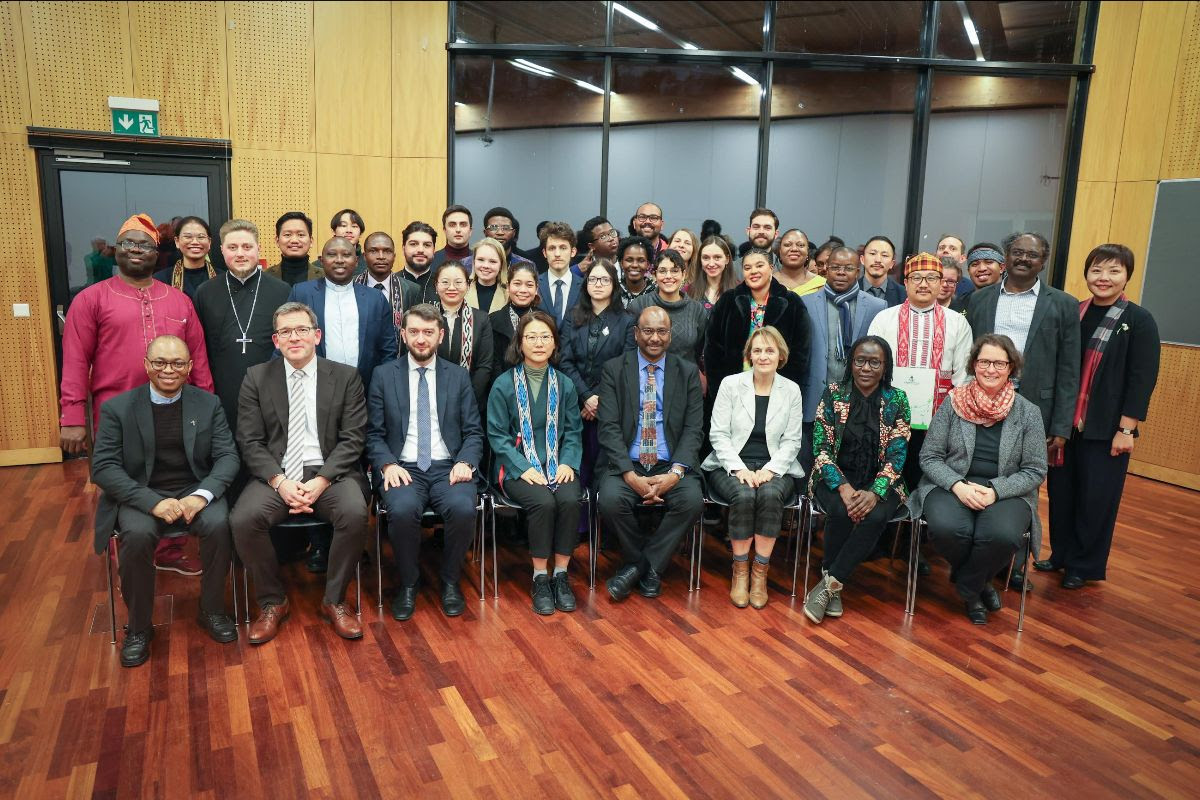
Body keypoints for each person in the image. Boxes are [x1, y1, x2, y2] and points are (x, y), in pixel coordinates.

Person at [59, 213, 214, 576]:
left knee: (173, 473)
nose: (136, 250)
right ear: (116, 251)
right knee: (122, 479)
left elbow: (198, 358)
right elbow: (76, 361)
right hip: (116, 413)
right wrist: (71, 416)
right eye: (128, 243)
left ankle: (171, 549)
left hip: (174, 410)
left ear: (157, 254)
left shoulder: (179, 301)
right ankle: (129, 550)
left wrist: (208, 407)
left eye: (145, 245)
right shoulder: (91, 299)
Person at [90, 336, 240, 666]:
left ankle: (212, 609)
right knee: (137, 535)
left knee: (219, 524)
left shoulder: (209, 404)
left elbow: (227, 456)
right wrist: (152, 503)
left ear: (189, 367)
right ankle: (139, 627)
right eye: (159, 362)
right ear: (146, 365)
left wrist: (201, 496)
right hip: (142, 492)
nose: (168, 370)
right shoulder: (118, 409)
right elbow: (103, 467)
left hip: (194, 488)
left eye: (177, 363)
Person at [231, 302, 370, 643]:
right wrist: (279, 482)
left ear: (316, 336)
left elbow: (353, 439)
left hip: (331, 473)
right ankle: (272, 602)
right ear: (276, 340)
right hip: (277, 474)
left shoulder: (346, 376)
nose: (294, 337)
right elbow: (249, 440)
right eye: (286, 332)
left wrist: (321, 480)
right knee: (243, 519)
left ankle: (335, 600)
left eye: (302, 330)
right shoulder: (256, 377)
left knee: (354, 513)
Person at [1042, 244, 1160, 589]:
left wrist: (1127, 429)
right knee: (1062, 493)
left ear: (1127, 276)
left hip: (1106, 427)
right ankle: (1061, 554)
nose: (1103, 278)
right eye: (1096, 270)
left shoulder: (1138, 320)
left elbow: (1142, 379)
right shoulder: (1073, 312)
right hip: (1066, 424)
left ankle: (1083, 565)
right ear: (1087, 274)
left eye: (1113, 271)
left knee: (1096, 499)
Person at [966, 232, 1080, 590]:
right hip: (981, 401)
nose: (1024, 259)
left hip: (1034, 409)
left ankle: (1014, 566)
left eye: (1032, 254)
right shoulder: (980, 298)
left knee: (1024, 486)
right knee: (981, 474)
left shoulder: (1063, 304)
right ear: (1007, 256)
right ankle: (982, 558)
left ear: (1043, 261)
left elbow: (1069, 368)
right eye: (1017, 252)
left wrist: (1061, 424)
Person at [909, 334, 1048, 624]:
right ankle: (979, 587)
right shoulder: (953, 403)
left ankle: (967, 585)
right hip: (951, 485)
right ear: (974, 364)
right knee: (948, 529)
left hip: (1006, 491)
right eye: (984, 362)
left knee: (1002, 535)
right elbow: (930, 457)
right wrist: (957, 486)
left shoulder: (1028, 413)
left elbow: (1035, 470)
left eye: (999, 363)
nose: (991, 369)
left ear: (1011, 367)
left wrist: (995, 491)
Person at [366, 304, 484, 620]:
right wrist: (387, 464)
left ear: (440, 336)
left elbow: (474, 431)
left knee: (463, 508)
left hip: (448, 466)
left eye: (428, 332)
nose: (421, 339)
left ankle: (450, 580)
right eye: (415, 331)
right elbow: (373, 433)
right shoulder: (383, 375)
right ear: (403, 335)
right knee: (402, 510)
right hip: (402, 466)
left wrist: (466, 462)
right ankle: (409, 583)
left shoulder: (458, 376)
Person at [598, 307, 705, 601]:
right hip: (628, 463)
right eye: (648, 331)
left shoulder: (687, 372)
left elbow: (694, 428)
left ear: (670, 335)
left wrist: (676, 473)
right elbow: (608, 427)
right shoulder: (614, 369)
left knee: (691, 501)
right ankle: (648, 567)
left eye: (661, 331)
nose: (654, 338)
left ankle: (638, 567)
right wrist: (629, 475)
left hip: (671, 463)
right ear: (636, 334)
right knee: (610, 500)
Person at [804, 336, 910, 624]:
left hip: (883, 480)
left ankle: (830, 584)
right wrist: (843, 486)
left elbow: (897, 455)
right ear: (851, 363)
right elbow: (820, 448)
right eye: (860, 360)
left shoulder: (898, 399)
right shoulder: (833, 393)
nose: (866, 368)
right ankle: (833, 586)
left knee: (875, 515)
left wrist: (875, 492)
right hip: (834, 475)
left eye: (874, 362)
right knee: (840, 511)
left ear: (885, 367)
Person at [488, 311, 584, 614]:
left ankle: (561, 575)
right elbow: (497, 436)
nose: (539, 343)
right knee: (543, 503)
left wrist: (568, 463)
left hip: (559, 463)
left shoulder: (565, 384)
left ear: (555, 343)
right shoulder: (503, 384)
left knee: (569, 499)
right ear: (520, 343)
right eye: (531, 337)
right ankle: (540, 577)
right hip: (516, 467)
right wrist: (524, 467)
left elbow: (574, 431)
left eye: (545, 337)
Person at [702, 326, 805, 609]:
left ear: (780, 355)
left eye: (769, 350)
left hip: (776, 466)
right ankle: (740, 571)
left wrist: (771, 470)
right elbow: (718, 435)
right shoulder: (731, 384)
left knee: (770, 495)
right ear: (749, 355)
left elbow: (792, 440)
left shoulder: (791, 390)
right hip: (730, 464)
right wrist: (739, 470)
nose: (763, 356)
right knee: (744, 495)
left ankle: (760, 572)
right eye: (757, 350)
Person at [193, 219, 292, 437]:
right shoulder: (205, 292)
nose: (240, 254)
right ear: (221, 250)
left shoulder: (282, 291)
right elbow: (200, 349)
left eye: (247, 247)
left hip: (271, 392)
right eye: (232, 247)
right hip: (221, 392)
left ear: (259, 248)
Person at [799, 245, 886, 476]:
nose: (840, 272)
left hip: (857, 399)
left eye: (848, 268)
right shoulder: (805, 302)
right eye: (835, 267)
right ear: (825, 268)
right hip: (815, 395)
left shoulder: (877, 306)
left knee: (849, 465)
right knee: (811, 463)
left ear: (858, 271)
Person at [559, 259, 635, 491]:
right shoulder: (572, 317)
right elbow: (565, 361)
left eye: (604, 279)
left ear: (614, 284)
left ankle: (601, 511)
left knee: (604, 468)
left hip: (610, 405)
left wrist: (599, 398)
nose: (598, 284)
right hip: (575, 404)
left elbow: (626, 365)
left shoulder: (627, 320)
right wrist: (586, 396)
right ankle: (580, 513)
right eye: (593, 279)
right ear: (585, 284)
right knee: (577, 469)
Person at [289, 236, 398, 391]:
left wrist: (382, 388)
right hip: (313, 388)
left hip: (364, 389)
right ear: (321, 260)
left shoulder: (375, 298)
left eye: (346, 255)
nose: (339, 260)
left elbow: (388, 349)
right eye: (332, 254)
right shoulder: (302, 293)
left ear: (357, 261)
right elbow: (287, 341)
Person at [705, 248, 811, 402]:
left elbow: (800, 353)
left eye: (759, 266)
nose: (753, 271)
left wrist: (785, 394)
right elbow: (712, 350)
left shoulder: (791, 302)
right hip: (734, 392)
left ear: (771, 268)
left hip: (777, 392)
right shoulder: (728, 300)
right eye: (747, 268)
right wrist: (720, 391)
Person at [629, 249, 709, 366]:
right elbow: (630, 348)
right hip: (647, 373)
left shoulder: (697, 310)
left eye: (674, 271)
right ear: (654, 275)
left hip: (686, 374)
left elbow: (699, 349)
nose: (668, 276)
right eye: (662, 271)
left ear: (683, 274)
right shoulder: (639, 305)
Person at [432, 261, 493, 409]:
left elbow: (484, 366)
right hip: (430, 399)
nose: (451, 287)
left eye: (458, 282)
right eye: (445, 282)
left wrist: (467, 398)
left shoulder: (481, 319)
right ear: (436, 286)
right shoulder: (425, 317)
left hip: (470, 402)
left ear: (468, 285)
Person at [352, 231, 418, 349]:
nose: (381, 256)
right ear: (364, 256)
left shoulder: (411, 290)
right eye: (373, 251)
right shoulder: (350, 286)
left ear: (394, 256)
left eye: (387, 251)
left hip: (398, 358)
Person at [489, 262, 541, 379]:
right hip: (503, 384)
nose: (523, 290)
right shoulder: (492, 320)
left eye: (529, 285)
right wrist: (505, 386)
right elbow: (493, 363)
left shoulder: (546, 321)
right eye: (517, 284)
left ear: (536, 289)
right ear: (508, 287)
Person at [153, 216, 218, 299]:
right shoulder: (160, 280)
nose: (195, 242)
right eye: (188, 237)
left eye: (201, 237)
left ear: (209, 242)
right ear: (177, 241)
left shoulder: (223, 279)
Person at [536, 221, 583, 327]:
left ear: (573, 252)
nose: (557, 254)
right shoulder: (534, 285)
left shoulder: (585, 287)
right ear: (544, 253)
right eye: (552, 248)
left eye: (563, 248)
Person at [267, 212, 323, 286]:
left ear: (311, 241)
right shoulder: (265, 277)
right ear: (277, 241)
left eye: (301, 235)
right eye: (287, 235)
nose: (294, 240)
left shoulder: (326, 277)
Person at [469, 207, 533, 271]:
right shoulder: (468, 264)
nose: (500, 232)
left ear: (513, 233)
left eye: (506, 228)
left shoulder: (526, 266)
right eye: (493, 227)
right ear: (485, 233)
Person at [687, 235, 738, 312]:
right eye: (706, 258)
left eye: (717, 257)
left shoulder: (740, 291)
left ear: (727, 259)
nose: (711, 264)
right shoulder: (688, 291)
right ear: (700, 260)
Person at [465, 237, 509, 314]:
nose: (486, 266)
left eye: (492, 261)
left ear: (501, 265)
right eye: (481, 260)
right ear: (474, 262)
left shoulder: (509, 295)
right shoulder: (462, 291)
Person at [775, 228, 825, 295]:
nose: (794, 249)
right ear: (780, 251)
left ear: (807, 252)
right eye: (787, 245)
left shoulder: (821, 284)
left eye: (801, 245)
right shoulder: (768, 282)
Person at [398, 221, 438, 303]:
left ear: (434, 250)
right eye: (413, 244)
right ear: (403, 248)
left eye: (427, 245)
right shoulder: (390, 283)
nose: (420, 250)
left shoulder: (443, 285)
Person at [859, 235, 905, 307]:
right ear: (862, 259)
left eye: (884, 255)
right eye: (872, 254)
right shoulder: (848, 291)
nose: (878, 260)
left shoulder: (904, 294)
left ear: (892, 264)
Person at [617, 236, 655, 307]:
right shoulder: (613, 290)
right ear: (621, 263)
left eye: (641, 260)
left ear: (648, 265)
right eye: (629, 260)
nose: (634, 265)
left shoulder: (657, 292)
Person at [330, 208, 368, 276]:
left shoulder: (369, 265)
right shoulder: (319, 266)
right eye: (343, 225)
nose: (349, 230)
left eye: (354, 226)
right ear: (333, 231)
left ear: (361, 233)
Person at [935, 233, 973, 297]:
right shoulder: (923, 281)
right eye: (941, 248)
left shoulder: (969, 288)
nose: (945, 250)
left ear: (962, 258)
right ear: (936, 256)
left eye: (953, 249)